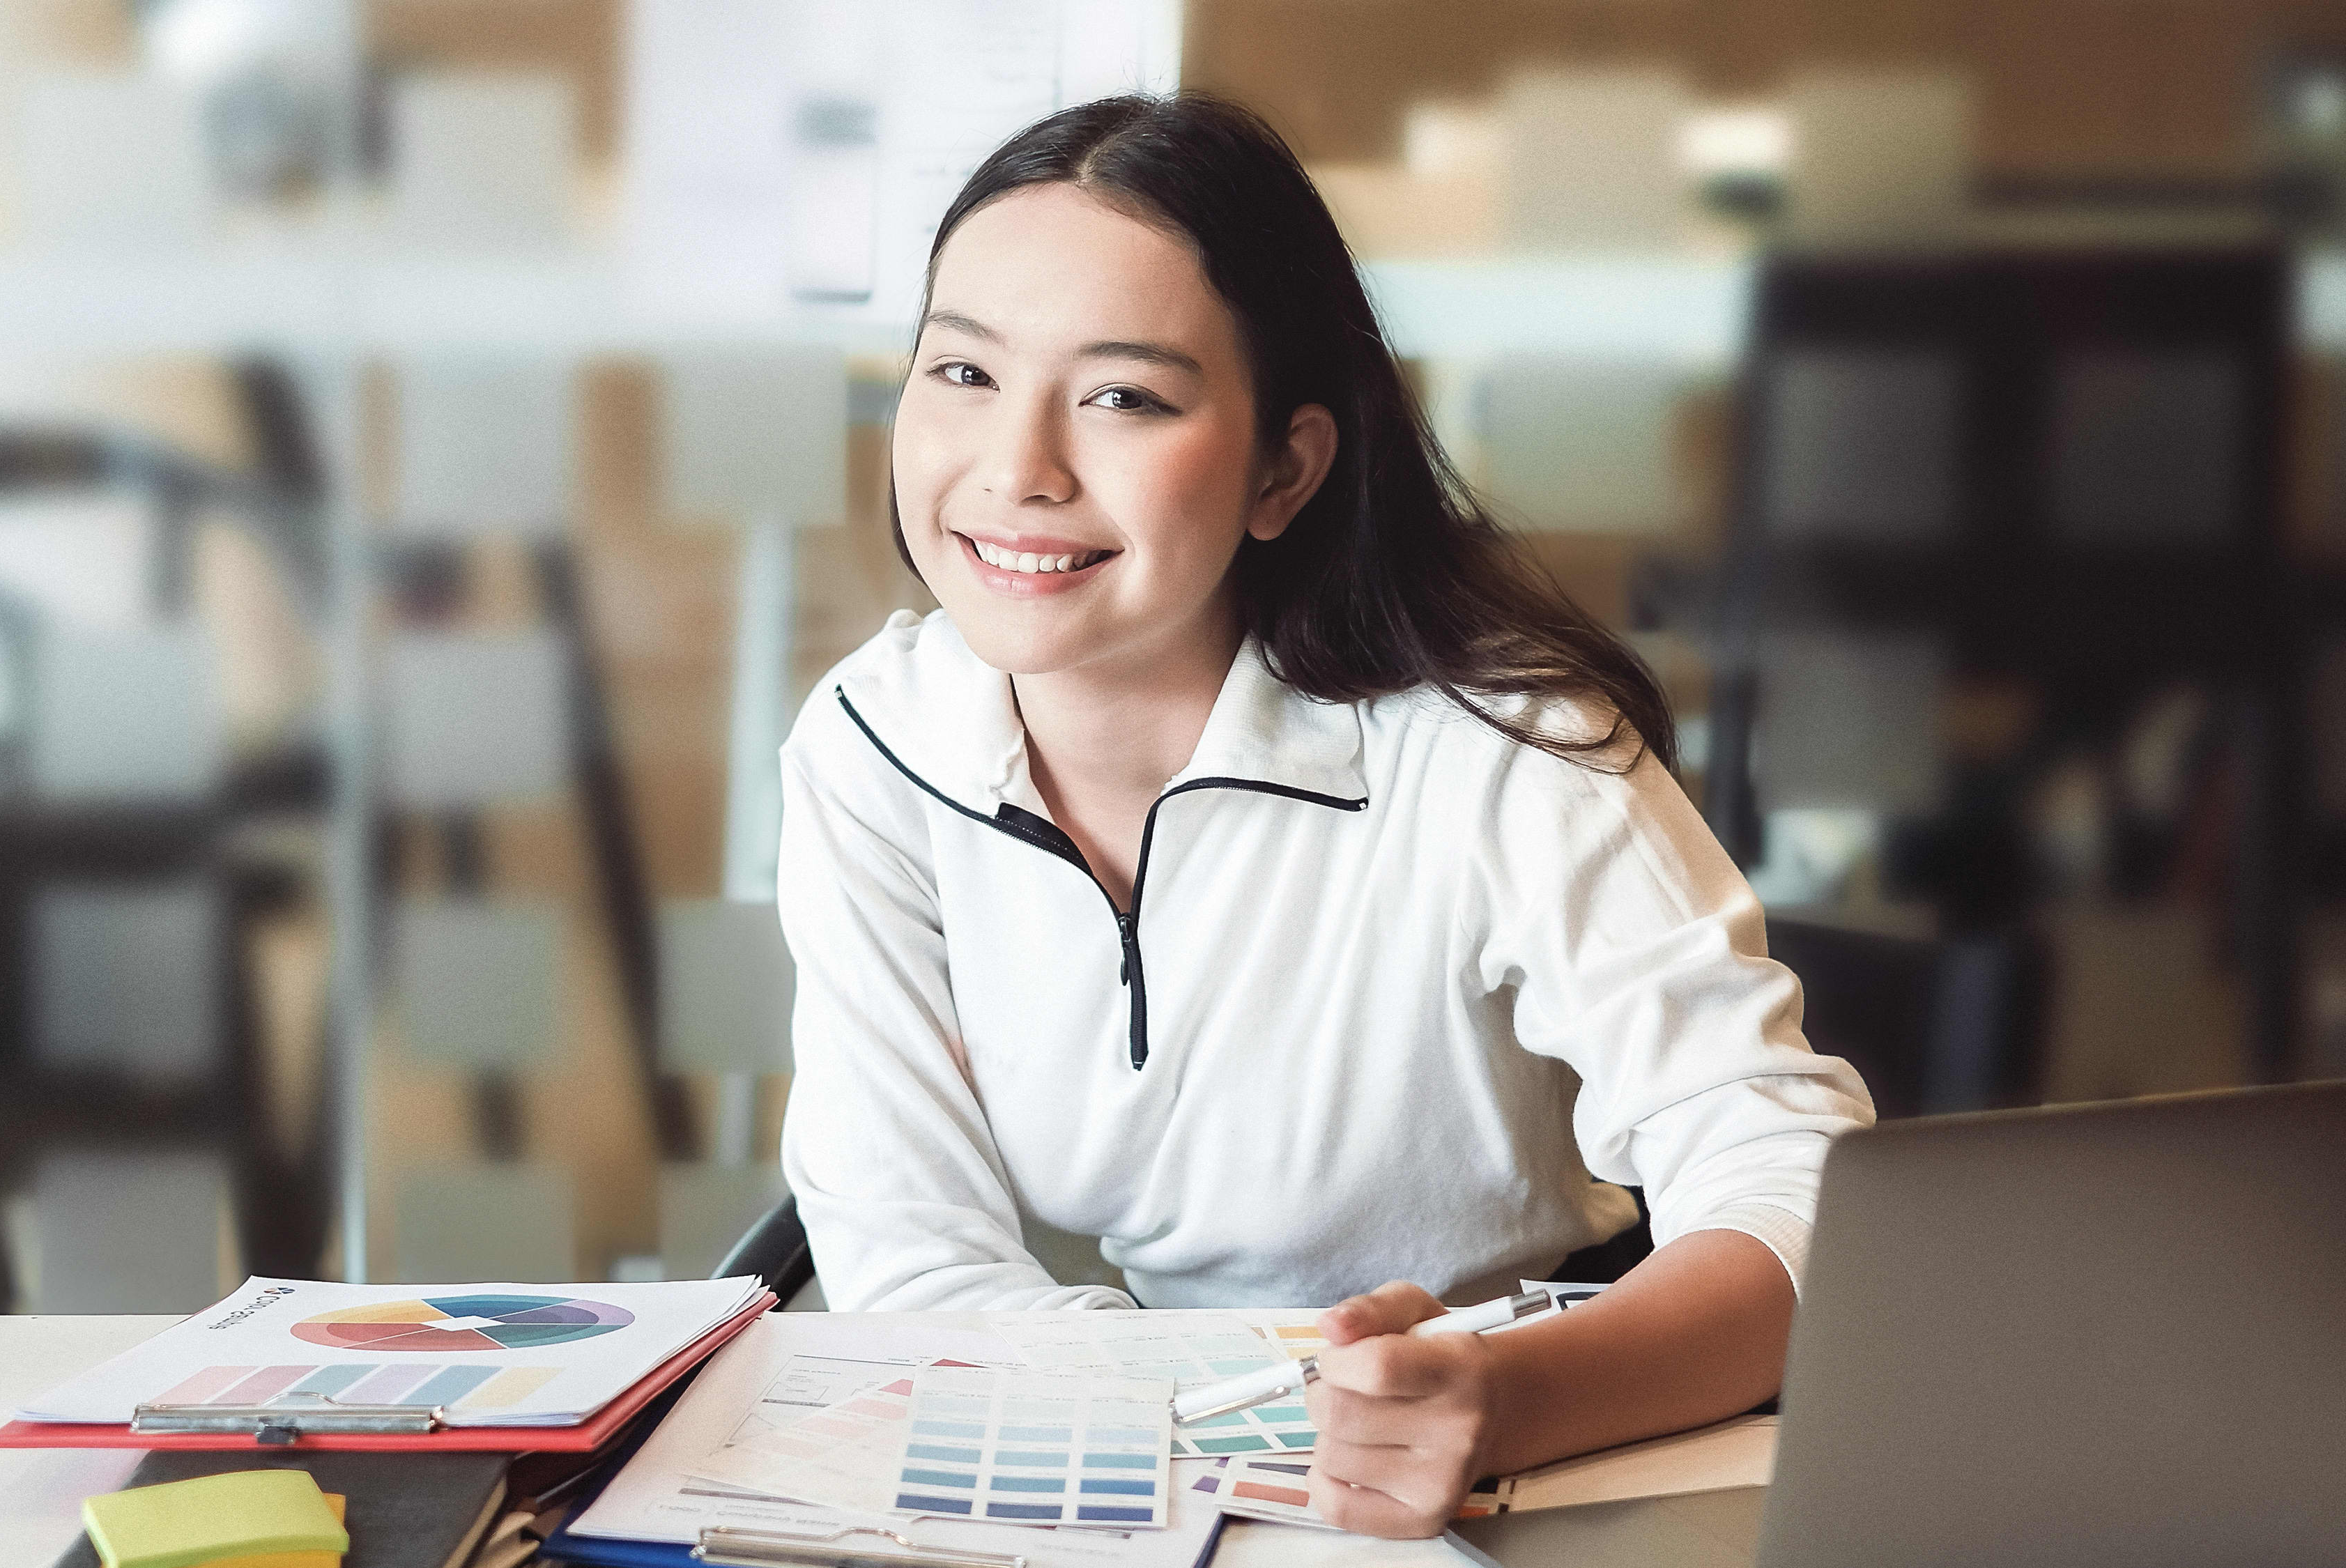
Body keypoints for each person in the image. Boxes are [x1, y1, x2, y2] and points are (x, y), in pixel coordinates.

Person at [772, 93, 1874, 1539]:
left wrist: (1504, 1395)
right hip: (1166, 1472)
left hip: (1549, 1465)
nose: (1017, 469)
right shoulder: (873, 746)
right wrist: (1220, 1426)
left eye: (1123, 397)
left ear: (1283, 467)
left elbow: (1790, 1185)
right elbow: (911, 1258)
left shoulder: (1501, 745)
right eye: (960, 371)